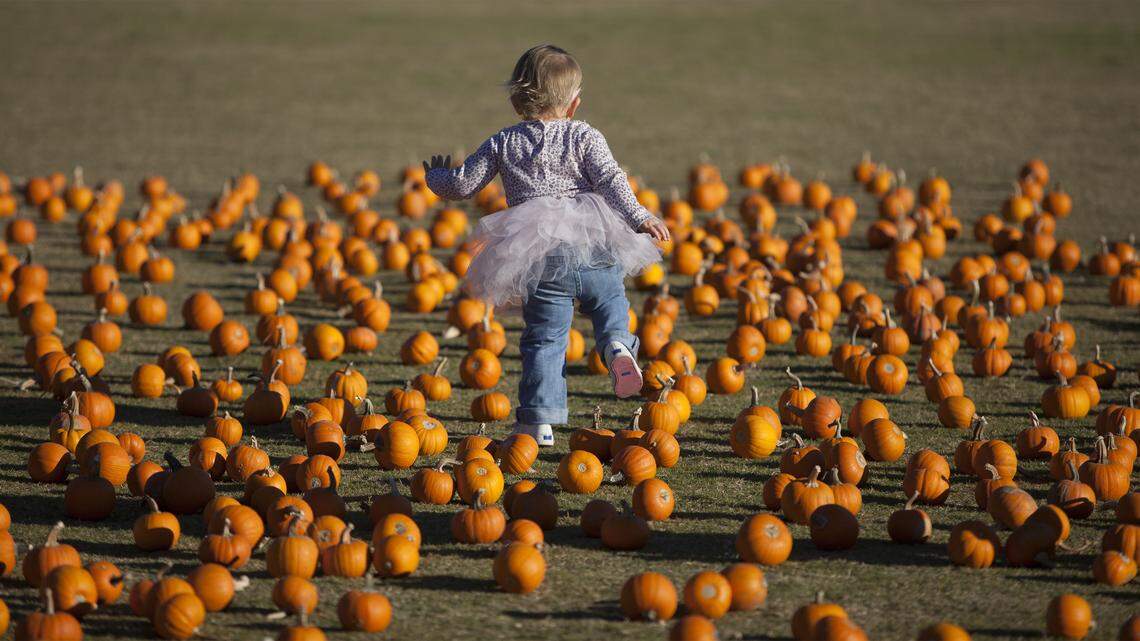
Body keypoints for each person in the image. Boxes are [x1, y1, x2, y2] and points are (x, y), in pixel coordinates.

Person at [424, 44, 669, 446]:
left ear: (518, 100)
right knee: (610, 303)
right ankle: (617, 347)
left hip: (541, 255)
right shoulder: (586, 135)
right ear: (574, 105)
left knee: (545, 338)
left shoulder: (504, 142)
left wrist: (436, 178)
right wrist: (639, 216)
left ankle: (539, 422)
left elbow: (464, 184)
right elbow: (611, 180)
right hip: (595, 241)